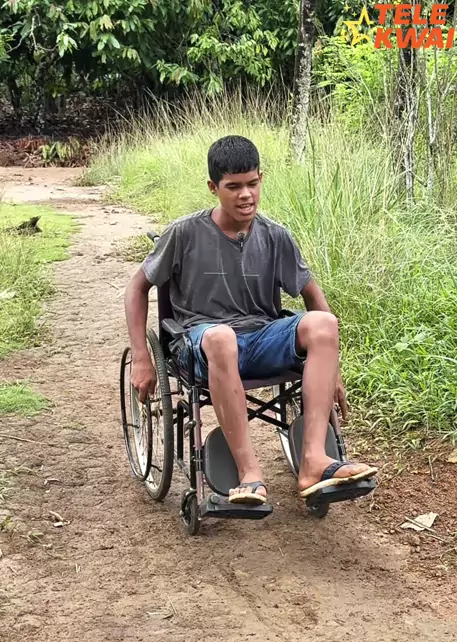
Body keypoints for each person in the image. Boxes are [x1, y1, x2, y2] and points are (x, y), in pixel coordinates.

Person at [124, 135, 377, 506]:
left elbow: (313, 296)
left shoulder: (275, 236)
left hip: (260, 338)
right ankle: (249, 472)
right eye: (234, 187)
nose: (246, 195)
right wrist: (141, 356)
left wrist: (332, 370)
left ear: (261, 179)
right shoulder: (185, 233)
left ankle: (314, 461)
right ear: (213, 187)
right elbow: (136, 288)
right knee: (222, 337)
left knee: (325, 324)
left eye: (252, 184)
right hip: (202, 343)